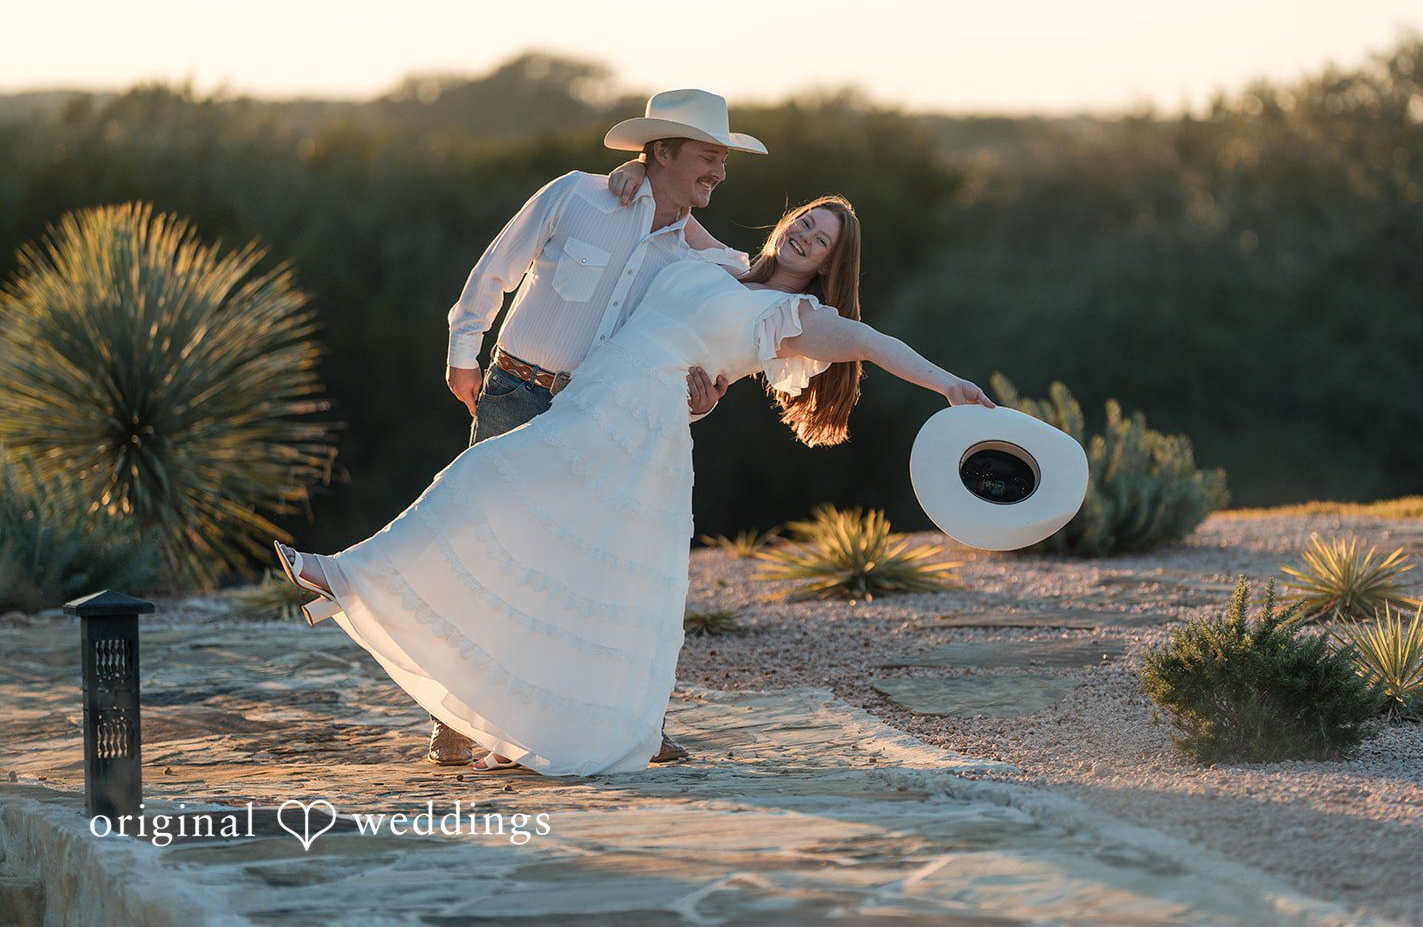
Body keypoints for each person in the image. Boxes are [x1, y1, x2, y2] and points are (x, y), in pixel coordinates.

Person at [272, 197, 996, 778]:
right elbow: (670, 192)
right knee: (560, 566)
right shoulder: (722, 261)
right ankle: (520, 722)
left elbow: (876, 345)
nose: (807, 236)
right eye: (806, 222)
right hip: (597, 398)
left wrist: (948, 384)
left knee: (488, 478)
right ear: (786, 223)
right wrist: (631, 166)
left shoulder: (798, 319)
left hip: (635, 420)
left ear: (832, 265)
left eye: (823, 241)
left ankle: (344, 574)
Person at [429, 89, 764, 766]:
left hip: (609, 417)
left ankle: (629, 726)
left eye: (724, 160)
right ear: (662, 151)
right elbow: (496, 268)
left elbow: (715, 340)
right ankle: (458, 718)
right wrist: (463, 353)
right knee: (495, 555)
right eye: (708, 157)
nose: (720, 173)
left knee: (607, 571)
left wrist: (704, 397)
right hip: (517, 394)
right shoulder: (576, 196)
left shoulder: (704, 261)